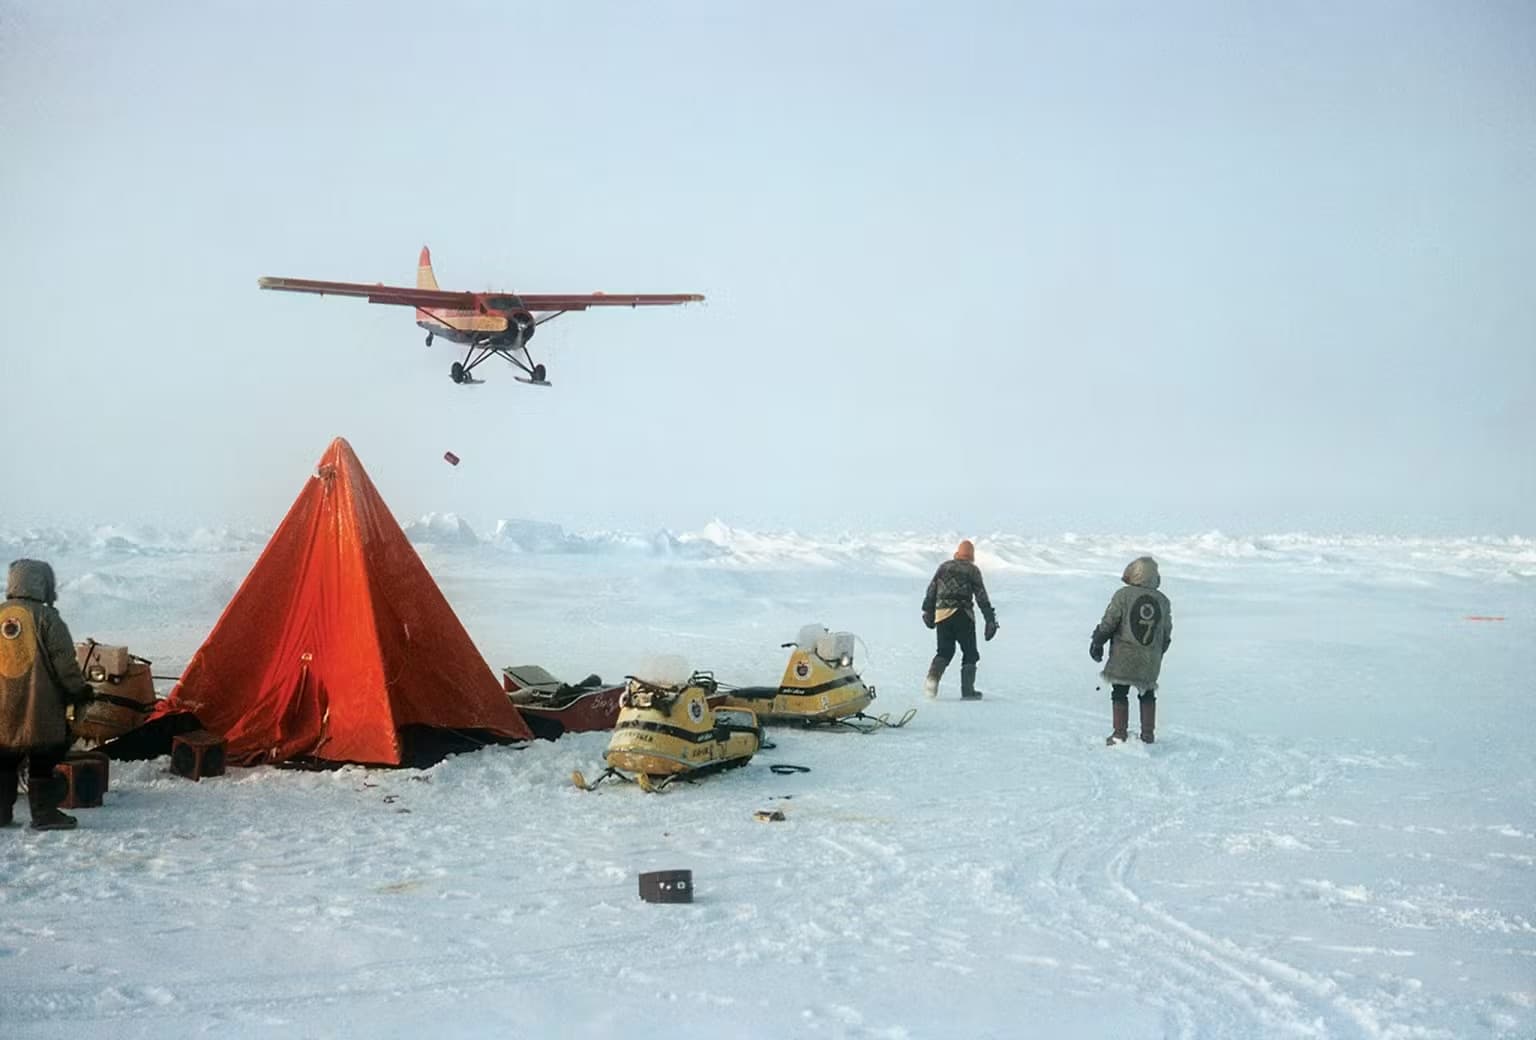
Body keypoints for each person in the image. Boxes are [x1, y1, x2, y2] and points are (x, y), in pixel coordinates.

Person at [0, 559, 94, 830]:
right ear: (43, 584)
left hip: (3, 707)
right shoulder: (47, 618)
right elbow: (64, 662)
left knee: (4, 758)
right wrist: (78, 691)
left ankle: (1, 813)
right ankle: (44, 815)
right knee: (43, 757)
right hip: (40, 705)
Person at [1089, 556, 1172, 745]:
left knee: (1120, 691)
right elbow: (1166, 633)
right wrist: (1156, 653)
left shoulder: (1123, 595)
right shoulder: (1163, 601)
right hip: (1150, 658)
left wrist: (1098, 641)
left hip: (1124, 656)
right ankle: (1148, 735)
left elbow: (1109, 622)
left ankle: (1119, 734)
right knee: (1147, 692)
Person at [921, 539, 998, 699]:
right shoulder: (972, 570)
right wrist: (990, 620)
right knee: (970, 653)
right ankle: (968, 691)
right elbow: (981, 597)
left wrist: (928, 611)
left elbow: (931, 590)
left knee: (944, 651)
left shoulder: (943, 567)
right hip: (963, 615)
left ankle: (931, 683)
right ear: (971, 555)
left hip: (942, 615)